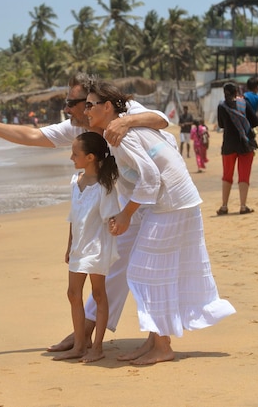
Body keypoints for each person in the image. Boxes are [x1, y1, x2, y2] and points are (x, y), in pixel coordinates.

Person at [0, 72, 170, 352]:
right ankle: (86, 333)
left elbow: (161, 119)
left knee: (147, 267)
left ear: (93, 102)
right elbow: (34, 135)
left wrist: (125, 121)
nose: (67, 109)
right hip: (128, 199)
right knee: (116, 266)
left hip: (160, 193)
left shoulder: (121, 111)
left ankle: (149, 340)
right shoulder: (78, 128)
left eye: (72, 102)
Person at [85, 79, 236, 365]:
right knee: (150, 271)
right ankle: (154, 341)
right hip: (173, 201)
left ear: (107, 107)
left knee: (144, 272)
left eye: (91, 105)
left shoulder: (122, 134)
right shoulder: (120, 129)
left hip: (173, 203)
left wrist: (126, 214)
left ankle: (163, 346)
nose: (86, 110)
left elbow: (151, 178)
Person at [53, 132, 120, 363]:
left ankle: (97, 347)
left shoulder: (105, 186)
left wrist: (115, 226)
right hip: (79, 247)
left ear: (90, 157)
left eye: (75, 154)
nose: (72, 157)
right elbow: (74, 217)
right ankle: (80, 345)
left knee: (99, 294)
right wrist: (69, 245)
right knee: (73, 293)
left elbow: (112, 216)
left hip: (97, 246)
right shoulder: (76, 181)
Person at [216, 82, 258, 216]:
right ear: (237, 92)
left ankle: (224, 206)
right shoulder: (244, 104)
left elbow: (221, 125)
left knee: (227, 175)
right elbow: (255, 121)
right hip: (245, 145)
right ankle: (243, 206)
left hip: (228, 145)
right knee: (244, 175)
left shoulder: (221, 106)